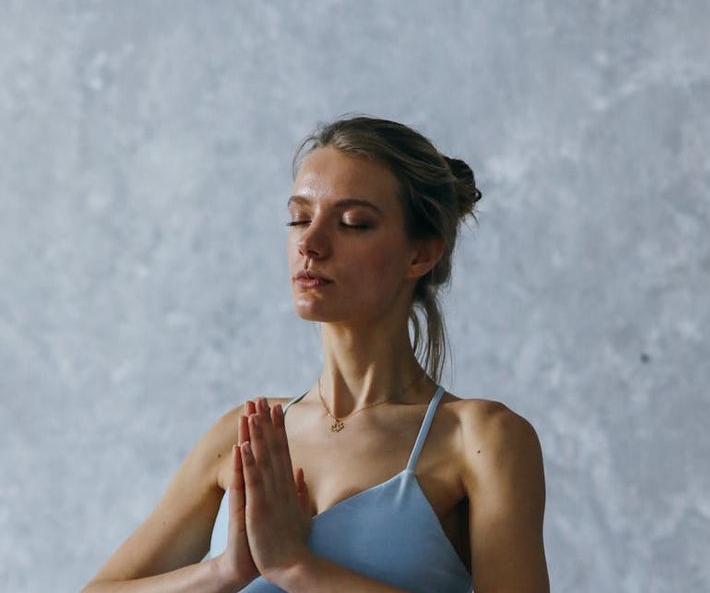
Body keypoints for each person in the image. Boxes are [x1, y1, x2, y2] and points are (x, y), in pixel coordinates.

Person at [82, 115, 549, 592]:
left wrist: (296, 567)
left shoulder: (481, 440)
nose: (310, 242)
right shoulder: (245, 436)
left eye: (353, 223)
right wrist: (225, 571)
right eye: (299, 218)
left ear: (420, 255)